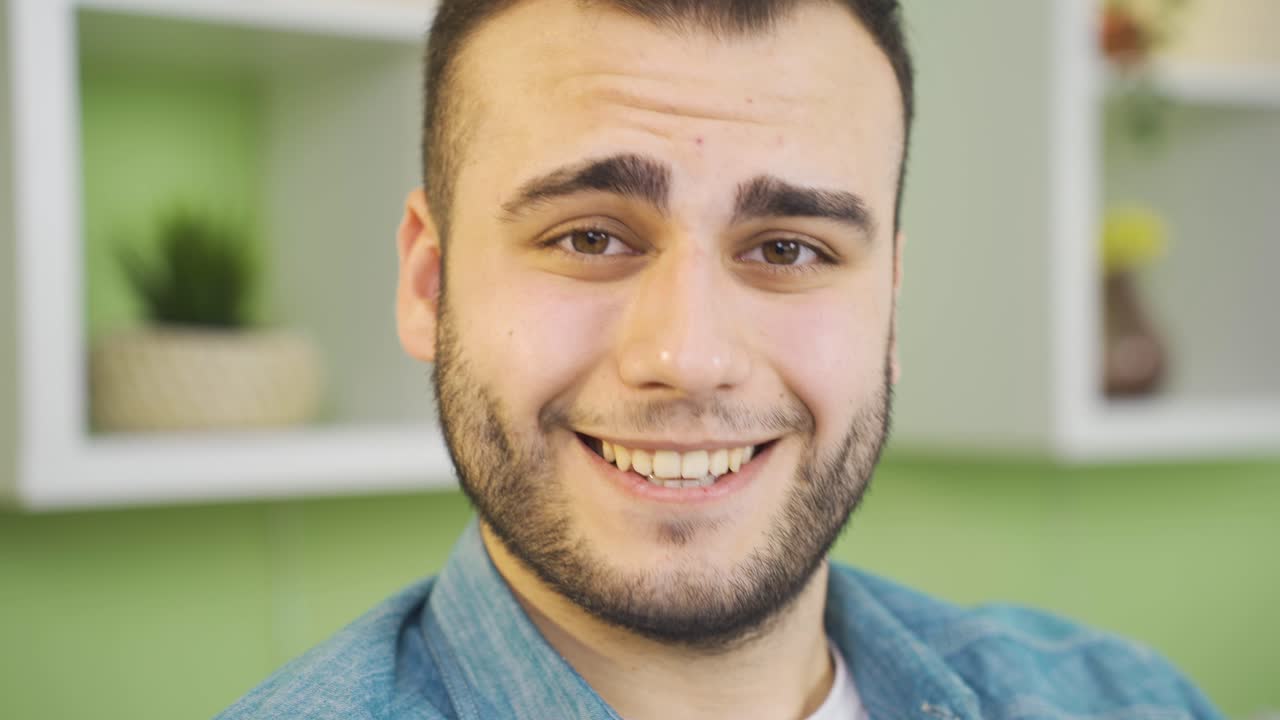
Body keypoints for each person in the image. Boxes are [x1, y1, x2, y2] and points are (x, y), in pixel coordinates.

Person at [220, 1, 1223, 717]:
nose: (688, 357)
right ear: (428, 284)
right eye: (588, 237)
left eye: (788, 250)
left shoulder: (1131, 701)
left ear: (889, 307)